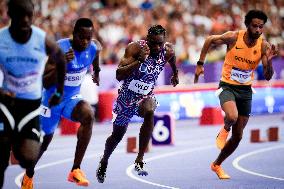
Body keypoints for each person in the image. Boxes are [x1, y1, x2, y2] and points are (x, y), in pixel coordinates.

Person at [194, 10, 278, 179]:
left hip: (246, 91)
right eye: (255, 26)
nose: (258, 30)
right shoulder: (233, 37)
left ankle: (216, 164)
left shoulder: (263, 45)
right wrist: (200, 64)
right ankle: (224, 129)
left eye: (261, 27)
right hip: (227, 86)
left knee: (238, 136)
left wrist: (268, 62)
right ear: (247, 25)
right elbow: (210, 39)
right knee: (231, 117)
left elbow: (268, 76)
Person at [22, 18, 101, 188]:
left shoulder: (93, 47)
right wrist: (61, 64)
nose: (85, 42)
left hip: (72, 99)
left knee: (89, 114)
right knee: (44, 144)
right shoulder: (60, 48)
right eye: (81, 37)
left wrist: (98, 72)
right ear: (74, 34)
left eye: (89, 38)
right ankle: (29, 173)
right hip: (52, 101)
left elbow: (96, 52)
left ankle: (75, 170)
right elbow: (45, 81)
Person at [96, 24, 179, 183]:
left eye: (159, 44)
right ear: (147, 39)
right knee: (117, 136)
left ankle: (139, 160)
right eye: (153, 43)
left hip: (145, 96)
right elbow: (119, 75)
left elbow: (172, 58)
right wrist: (139, 61)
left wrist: (175, 74)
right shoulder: (134, 48)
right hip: (126, 97)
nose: (156, 47)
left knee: (150, 109)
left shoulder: (167, 51)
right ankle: (104, 159)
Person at [0, 0, 66, 188]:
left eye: (30, 16)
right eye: (21, 16)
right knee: (1, 161)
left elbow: (60, 59)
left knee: (28, 159)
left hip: (30, 105)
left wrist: (59, 92)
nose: (26, 20)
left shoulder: (42, 39)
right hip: (6, 103)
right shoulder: (1, 40)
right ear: (10, 16)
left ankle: (18, 140)